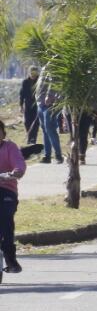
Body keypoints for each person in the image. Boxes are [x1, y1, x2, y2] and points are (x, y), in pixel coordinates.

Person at [0, 120, 28, 281]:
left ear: (3, 133)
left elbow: (19, 164)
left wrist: (15, 173)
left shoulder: (10, 147)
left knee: (6, 218)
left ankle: (10, 258)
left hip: (6, 190)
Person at [35, 65, 63, 164]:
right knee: (45, 130)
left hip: (49, 103)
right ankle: (47, 156)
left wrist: (49, 95)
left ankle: (58, 155)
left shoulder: (53, 63)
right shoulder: (44, 65)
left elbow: (54, 81)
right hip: (41, 103)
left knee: (50, 129)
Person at [19, 66, 39, 146]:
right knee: (27, 122)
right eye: (32, 73)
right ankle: (30, 138)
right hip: (27, 105)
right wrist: (20, 106)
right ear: (29, 73)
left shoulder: (39, 81)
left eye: (35, 73)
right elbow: (22, 94)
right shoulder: (25, 82)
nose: (33, 75)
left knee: (35, 124)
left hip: (37, 106)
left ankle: (33, 140)